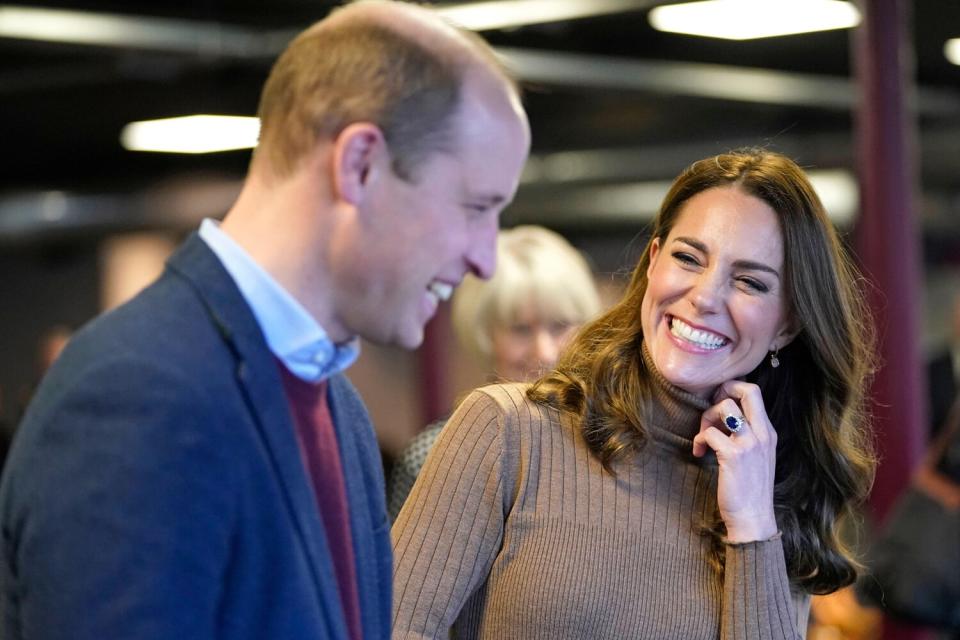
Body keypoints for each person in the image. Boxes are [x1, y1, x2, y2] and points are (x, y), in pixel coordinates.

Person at [0, 2, 530, 639]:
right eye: (475, 206)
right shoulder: (139, 392)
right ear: (359, 164)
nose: (485, 257)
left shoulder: (339, 409)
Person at [392, 149, 876, 639]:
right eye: (688, 258)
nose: (705, 297)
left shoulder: (771, 494)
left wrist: (751, 523)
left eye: (749, 282)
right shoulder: (508, 430)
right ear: (653, 262)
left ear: (787, 325)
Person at [386, 225, 602, 521]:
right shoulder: (433, 454)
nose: (545, 352)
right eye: (521, 329)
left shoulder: (612, 442)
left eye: (560, 325)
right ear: (485, 334)